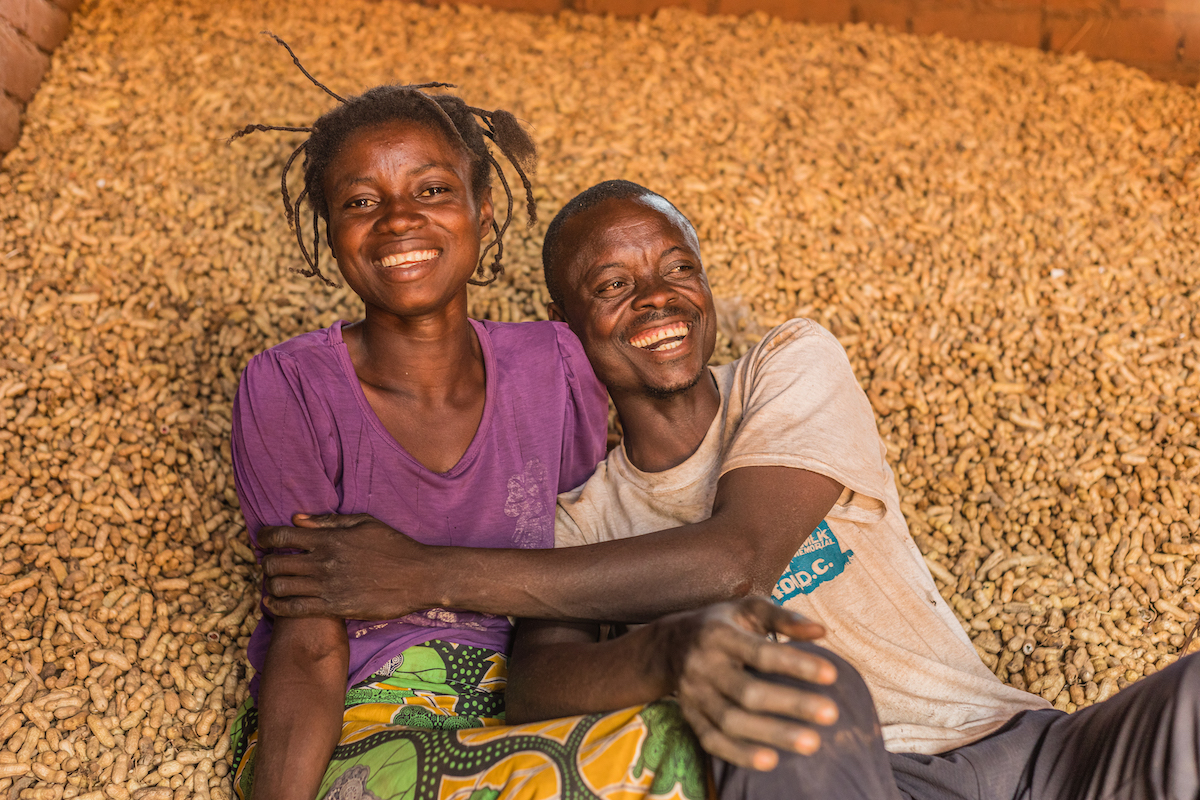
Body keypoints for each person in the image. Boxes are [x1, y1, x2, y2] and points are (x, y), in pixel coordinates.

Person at [261, 180, 1200, 800]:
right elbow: (532, 684)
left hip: (1038, 752)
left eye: (679, 271)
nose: (659, 300)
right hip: (861, 777)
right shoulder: (577, 517)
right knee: (789, 679)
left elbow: (739, 556)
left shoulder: (789, 367)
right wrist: (668, 654)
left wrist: (426, 571)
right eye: (614, 286)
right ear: (566, 325)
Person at [227, 57, 726, 800]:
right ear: (331, 232)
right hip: (366, 718)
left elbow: (584, 554)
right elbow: (309, 640)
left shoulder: (555, 363)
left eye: (431, 190)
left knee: (693, 741)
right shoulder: (289, 388)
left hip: (534, 698)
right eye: (362, 201)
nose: (399, 218)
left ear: (482, 212)